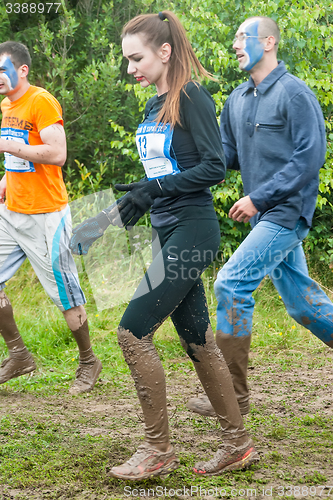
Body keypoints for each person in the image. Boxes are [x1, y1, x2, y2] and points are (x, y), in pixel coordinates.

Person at [69, 11, 260, 479]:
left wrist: (150, 192)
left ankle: (158, 449)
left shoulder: (190, 95)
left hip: (194, 229)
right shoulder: (152, 105)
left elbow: (214, 168)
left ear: (164, 52)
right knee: (197, 341)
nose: (130, 67)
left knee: (132, 332)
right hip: (166, 228)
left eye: (136, 57)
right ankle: (237, 445)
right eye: (127, 59)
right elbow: (159, 178)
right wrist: (105, 220)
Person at [187, 16, 333, 420]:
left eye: (242, 37)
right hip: (263, 217)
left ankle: (232, 394)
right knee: (304, 306)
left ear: (268, 42)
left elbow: (309, 159)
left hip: (286, 212)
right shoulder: (237, 99)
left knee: (231, 283)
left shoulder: (294, 94)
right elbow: (223, 158)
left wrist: (258, 197)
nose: (235, 43)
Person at [0, 41, 102, 395]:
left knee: (65, 294)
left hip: (48, 215)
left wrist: (12, 148)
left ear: (22, 70)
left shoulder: (40, 101)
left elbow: (57, 153)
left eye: (3, 69)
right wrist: (5, 178)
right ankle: (19, 356)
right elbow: (19, 154)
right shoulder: (6, 105)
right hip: (11, 212)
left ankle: (89, 360)